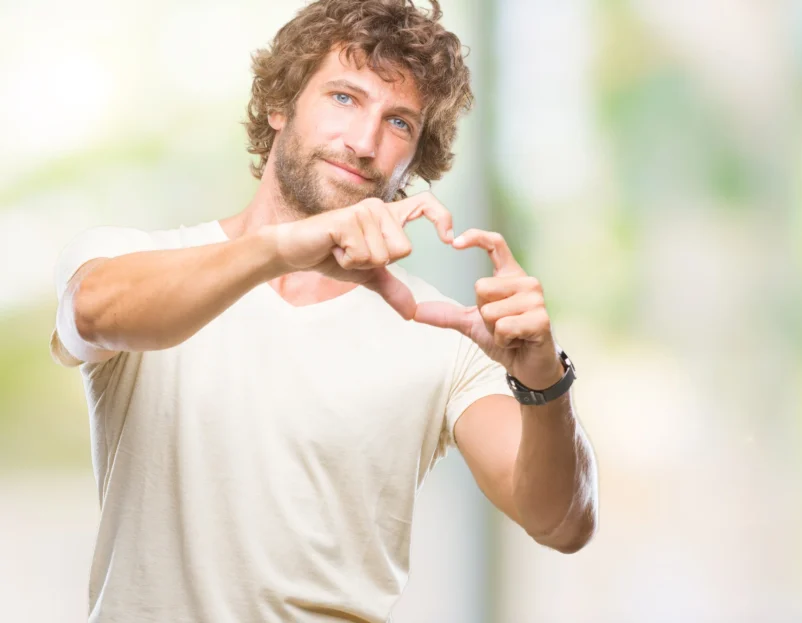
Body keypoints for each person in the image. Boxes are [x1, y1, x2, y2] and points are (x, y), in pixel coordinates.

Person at [48, 0, 598, 621]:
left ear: (415, 161)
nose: (364, 142)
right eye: (344, 97)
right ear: (281, 103)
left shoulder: (443, 330)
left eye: (398, 123)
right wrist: (282, 250)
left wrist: (544, 381)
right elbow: (94, 313)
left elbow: (561, 523)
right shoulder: (136, 258)